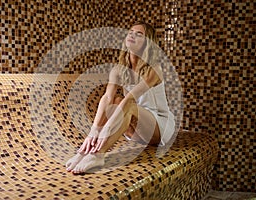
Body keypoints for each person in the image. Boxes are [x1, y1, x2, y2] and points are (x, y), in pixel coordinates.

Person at [65, 21, 175, 174]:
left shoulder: (154, 69)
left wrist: (107, 128)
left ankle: (98, 154)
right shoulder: (118, 69)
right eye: (130, 31)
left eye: (139, 34)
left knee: (125, 102)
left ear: (147, 43)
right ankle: (85, 151)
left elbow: (130, 99)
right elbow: (107, 98)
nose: (132, 35)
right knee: (115, 101)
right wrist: (94, 130)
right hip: (135, 127)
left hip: (158, 128)